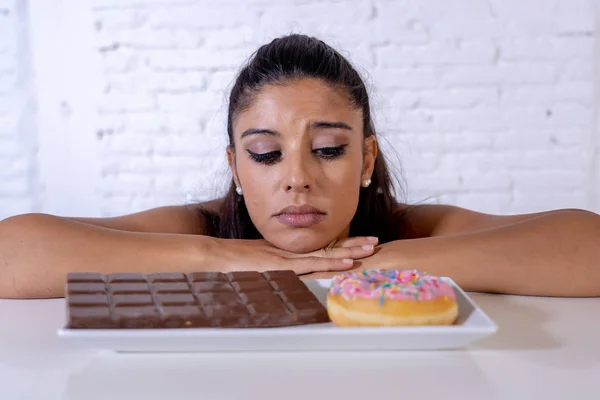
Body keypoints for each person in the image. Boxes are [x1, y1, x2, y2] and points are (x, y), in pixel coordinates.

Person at [1, 34, 599, 299]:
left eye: (330, 149)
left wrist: (359, 267)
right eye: (265, 154)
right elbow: (13, 253)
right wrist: (221, 259)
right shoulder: (203, 230)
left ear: (366, 158)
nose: (297, 178)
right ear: (236, 167)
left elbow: (586, 245)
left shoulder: (409, 228)